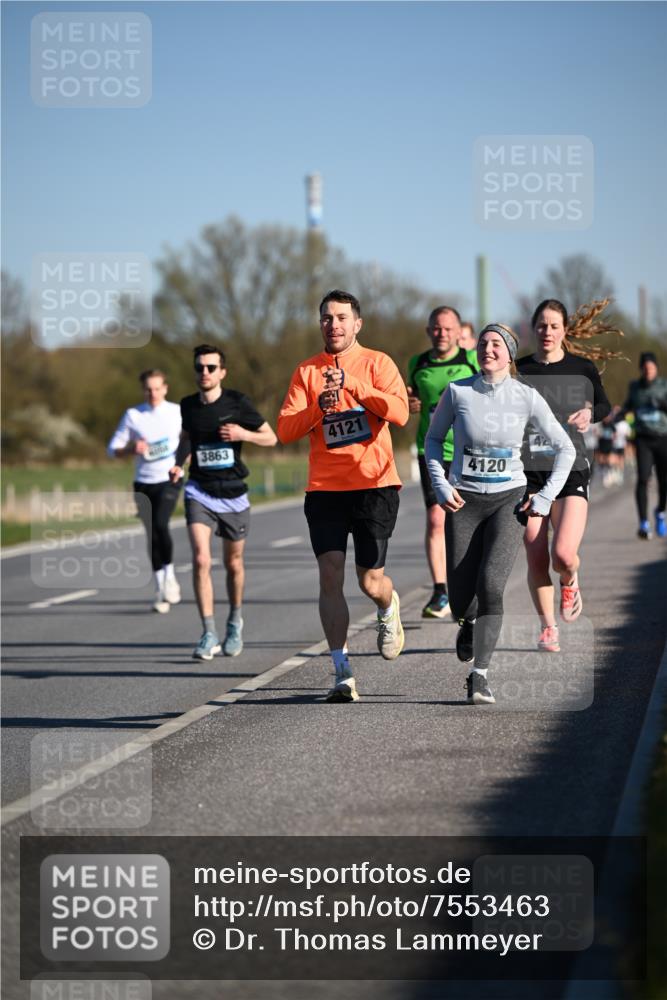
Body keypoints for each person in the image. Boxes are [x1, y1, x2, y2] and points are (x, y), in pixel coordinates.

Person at [425, 323, 575, 705]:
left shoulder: (526, 396)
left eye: (496, 344)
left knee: (491, 584)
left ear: (509, 354)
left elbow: (565, 449)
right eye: (482, 343)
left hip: (509, 501)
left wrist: (543, 499)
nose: (487, 349)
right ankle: (468, 621)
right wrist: (441, 485)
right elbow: (432, 440)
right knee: (461, 597)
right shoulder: (458, 392)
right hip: (464, 501)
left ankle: (480, 676)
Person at [277, 290, 409, 703]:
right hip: (325, 490)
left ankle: (388, 607)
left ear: (357, 324)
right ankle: (341, 670)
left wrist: (354, 386)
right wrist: (319, 406)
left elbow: (400, 413)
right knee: (330, 575)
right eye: (326, 318)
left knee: (370, 581)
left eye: (340, 317)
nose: (332, 324)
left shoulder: (378, 362)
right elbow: (285, 430)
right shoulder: (306, 372)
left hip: (374, 485)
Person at [517, 299, 622, 652]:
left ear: (565, 330)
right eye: (542, 326)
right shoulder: (519, 370)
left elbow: (605, 405)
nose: (548, 332)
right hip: (529, 472)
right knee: (535, 556)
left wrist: (590, 411)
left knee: (562, 554)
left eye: (554, 326)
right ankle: (548, 628)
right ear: (534, 329)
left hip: (571, 467)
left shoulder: (582, 368)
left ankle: (570, 577)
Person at [169, 344, 277, 660]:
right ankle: (208, 632)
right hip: (199, 490)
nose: (205, 373)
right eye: (200, 368)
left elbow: (271, 437)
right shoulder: (188, 405)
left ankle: (234, 621)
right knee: (202, 559)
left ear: (222, 372)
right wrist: (179, 462)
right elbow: (186, 439)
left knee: (233, 564)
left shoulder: (238, 402)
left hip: (233, 493)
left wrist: (243, 433)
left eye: (211, 368)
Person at [407, 306, 478, 618]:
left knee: (467, 520)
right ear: (428, 330)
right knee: (436, 520)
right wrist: (408, 403)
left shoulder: (471, 360)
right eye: (436, 328)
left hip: (469, 451)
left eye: (448, 328)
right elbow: (408, 400)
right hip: (431, 450)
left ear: (458, 331)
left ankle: (469, 583)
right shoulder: (416, 363)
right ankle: (440, 592)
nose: (442, 333)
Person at [108, 369, 183, 613]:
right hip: (143, 482)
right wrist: (131, 449)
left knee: (161, 524)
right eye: (148, 389)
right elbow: (113, 449)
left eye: (157, 388)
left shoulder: (177, 412)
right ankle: (160, 588)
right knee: (151, 533)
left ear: (165, 388)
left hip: (169, 478)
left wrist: (182, 462)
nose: (153, 393)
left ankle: (170, 576)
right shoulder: (133, 415)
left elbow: (190, 440)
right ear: (143, 390)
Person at [615, 352, 667, 538]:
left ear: (656, 368)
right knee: (643, 478)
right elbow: (628, 405)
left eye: (651, 368)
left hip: (662, 438)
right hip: (643, 438)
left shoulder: (663, 385)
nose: (648, 371)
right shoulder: (635, 387)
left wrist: (661, 404)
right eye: (645, 368)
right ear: (641, 369)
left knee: (664, 482)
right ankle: (644, 523)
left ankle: (660, 512)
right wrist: (617, 417)